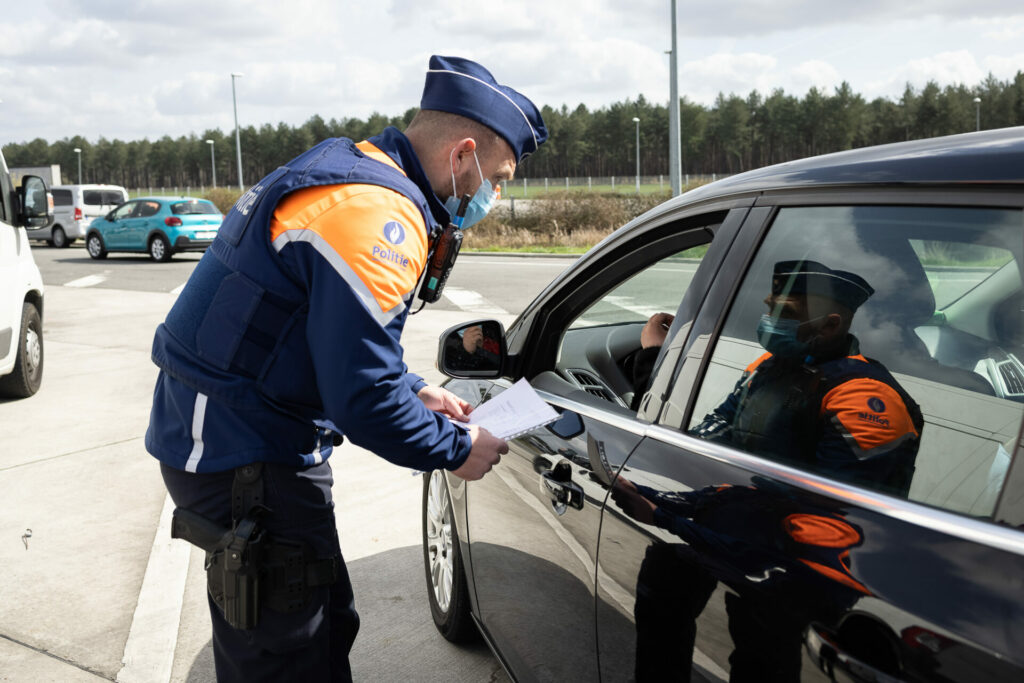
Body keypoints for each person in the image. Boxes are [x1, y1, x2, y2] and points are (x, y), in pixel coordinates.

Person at [145, 55, 547, 681]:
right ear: (463, 155)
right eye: (497, 177)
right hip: (242, 453)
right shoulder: (376, 215)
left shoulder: (357, 171)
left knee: (327, 623)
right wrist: (454, 448)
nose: (494, 195)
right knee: (285, 657)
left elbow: (320, 330)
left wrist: (416, 389)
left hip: (251, 435)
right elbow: (362, 398)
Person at [635, 260, 923, 495]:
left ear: (829, 325)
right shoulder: (770, 364)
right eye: (769, 307)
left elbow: (835, 516)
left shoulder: (862, 398)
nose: (768, 320)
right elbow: (716, 433)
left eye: (783, 312)